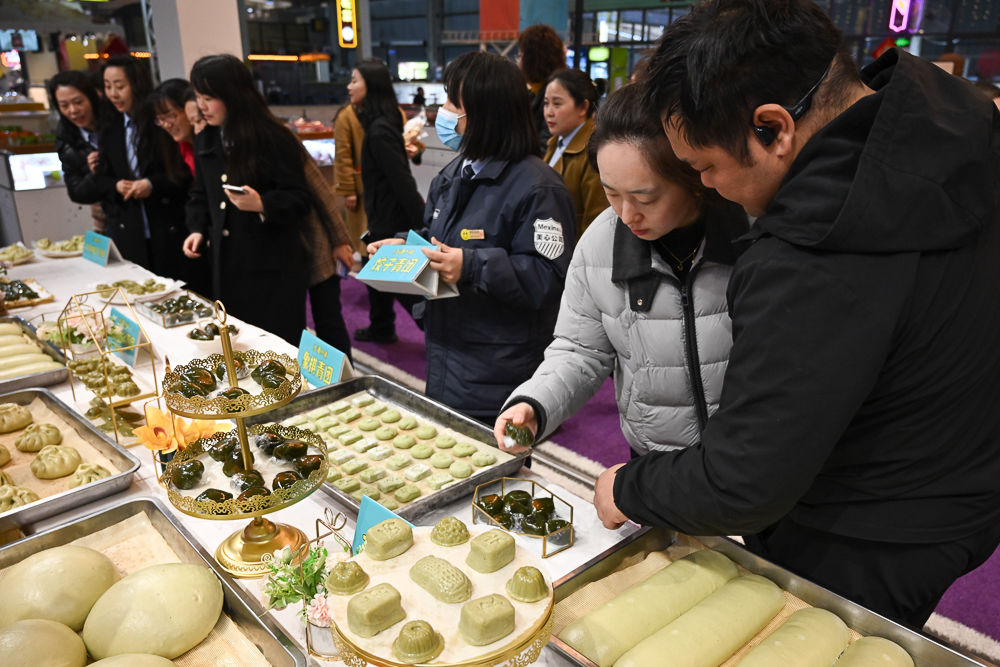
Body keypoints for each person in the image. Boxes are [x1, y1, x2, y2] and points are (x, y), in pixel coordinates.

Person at [593, 0, 1000, 629]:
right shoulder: (953, 132)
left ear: (774, 128)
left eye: (706, 167)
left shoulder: (815, 251)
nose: (711, 189)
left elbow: (745, 479)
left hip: (870, 525)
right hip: (963, 486)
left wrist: (630, 486)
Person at [495, 82, 747, 456]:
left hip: (747, 457)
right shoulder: (600, 244)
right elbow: (580, 349)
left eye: (645, 198)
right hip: (655, 463)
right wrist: (535, 402)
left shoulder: (750, 237)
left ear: (695, 179)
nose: (627, 215)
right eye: (611, 193)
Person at [368, 51, 577, 421]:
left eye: (453, 103)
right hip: (446, 354)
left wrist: (472, 266)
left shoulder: (539, 188)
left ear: (485, 113)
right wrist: (407, 245)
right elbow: (439, 238)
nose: (443, 112)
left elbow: (549, 279)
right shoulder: (452, 175)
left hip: (500, 372)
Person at [183, 54, 312, 345]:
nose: (201, 106)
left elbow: (300, 199)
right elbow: (200, 193)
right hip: (227, 264)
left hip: (272, 268)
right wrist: (197, 229)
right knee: (235, 345)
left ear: (233, 95)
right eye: (198, 97)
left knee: (275, 347)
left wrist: (263, 204)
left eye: (208, 98)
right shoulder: (207, 137)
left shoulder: (273, 138)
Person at [349, 59, 425, 344]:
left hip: (390, 218)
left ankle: (439, 334)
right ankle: (381, 327)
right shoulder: (379, 123)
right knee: (380, 276)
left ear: (371, 85)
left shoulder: (380, 130)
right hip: (383, 214)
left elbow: (402, 180)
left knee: (403, 285)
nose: (349, 86)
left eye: (355, 80)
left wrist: (423, 221)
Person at [97, 55, 192, 280]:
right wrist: (116, 186)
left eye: (120, 86)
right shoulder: (109, 128)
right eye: (108, 86)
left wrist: (151, 184)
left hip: (170, 226)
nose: (113, 94)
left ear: (137, 84)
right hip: (131, 230)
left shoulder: (161, 123)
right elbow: (100, 179)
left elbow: (183, 172)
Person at [148, 78, 211, 296]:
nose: (166, 124)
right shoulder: (177, 147)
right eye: (160, 119)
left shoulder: (209, 143)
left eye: (170, 115)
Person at [542, 69, 608, 236]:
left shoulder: (595, 149)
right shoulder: (555, 143)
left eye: (557, 104)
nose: (549, 112)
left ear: (583, 107)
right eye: (546, 103)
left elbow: (595, 220)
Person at [47, 70, 111, 233]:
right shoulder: (65, 138)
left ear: (91, 97)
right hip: (104, 220)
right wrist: (93, 173)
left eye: (78, 102)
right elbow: (76, 193)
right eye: (64, 106)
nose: (73, 110)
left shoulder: (114, 121)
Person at [517, 24, 566, 151]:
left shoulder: (553, 94)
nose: (518, 62)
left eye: (520, 55)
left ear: (531, 59)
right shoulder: (534, 92)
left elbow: (545, 147)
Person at [333, 93, 368, 255]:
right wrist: (348, 190)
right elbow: (342, 156)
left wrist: (415, 150)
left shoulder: (391, 111)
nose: (349, 87)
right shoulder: (347, 116)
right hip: (361, 188)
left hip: (388, 188)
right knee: (365, 240)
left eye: (355, 81)